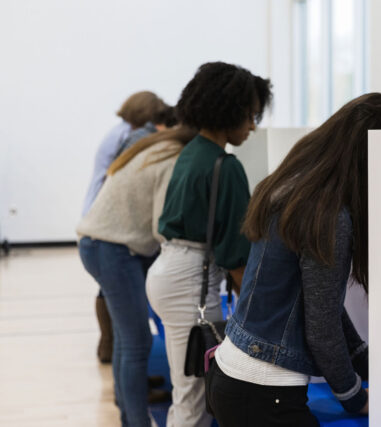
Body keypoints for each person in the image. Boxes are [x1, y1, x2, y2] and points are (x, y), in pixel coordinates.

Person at [207, 93, 381, 426]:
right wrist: (355, 397)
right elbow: (322, 330)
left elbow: (320, 304)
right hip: (264, 392)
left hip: (234, 374)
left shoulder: (291, 188)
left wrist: (365, 362)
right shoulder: (328, 216)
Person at [146, 62, 272, 427]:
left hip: (170, 272)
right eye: (250, 115)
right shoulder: (224, 165)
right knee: (194, 401)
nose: (252, 125)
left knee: (186, 393)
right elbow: (234, 256)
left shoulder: (192, 152)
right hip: (191, 284)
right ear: (229, 110)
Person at [77, 126, 197, 427]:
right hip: (112, 249)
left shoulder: (159, 146)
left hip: (98, 243)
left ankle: (128, 410)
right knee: (136, 341)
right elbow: (161, 227)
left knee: (127, 338)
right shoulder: (174, 158)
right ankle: (134, 419)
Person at [82, 91, 168, 364]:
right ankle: (108, 344)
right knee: (114, 297)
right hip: (109, 219)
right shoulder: (128, 136)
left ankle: (108, 345)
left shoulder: (121, 132)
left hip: (101, 215)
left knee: (110, 293)